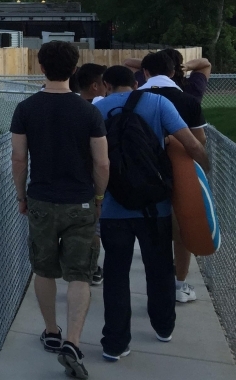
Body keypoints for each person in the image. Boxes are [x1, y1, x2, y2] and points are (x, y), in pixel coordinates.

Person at [93, 65, 210, 363]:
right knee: (158, 268)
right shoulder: (158, 103)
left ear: (105, 84)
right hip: (153, 206)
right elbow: (192, 144)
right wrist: (205, 180)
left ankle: (115, 344)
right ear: (136, 82)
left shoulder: (97, 109)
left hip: (113, 206)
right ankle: (163, 326)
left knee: (116, 274)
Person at [11, 41, 110, 380]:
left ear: (41, 67)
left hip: (40, 199)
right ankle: (72, 340)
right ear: (74, 70)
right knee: (80, 274)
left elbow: (19, 158)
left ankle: (51, 331)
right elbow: (102, 162)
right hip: (80, 201)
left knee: (44, 269)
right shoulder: (89, 112)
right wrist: (98, 197)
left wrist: (21, 195)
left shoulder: (25, 108)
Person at [138, 52, 208, 304]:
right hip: (180, 173)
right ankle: (179, 284)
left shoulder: (134, 100)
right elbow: (199, 141)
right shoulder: (188, 100)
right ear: (172, 73)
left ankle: (155, 283)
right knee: (181, 231)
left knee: (151, 233)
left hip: (141, 174)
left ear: (144, 73)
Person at [73, 63, 108, 285]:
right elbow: (102, 160)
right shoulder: (98, 110)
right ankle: (92, 267)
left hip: (69, 180)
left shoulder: (69, 106)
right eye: (104, 83)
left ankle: (78, 265)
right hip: (92, 181)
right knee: (93, 228)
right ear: (95, 86)